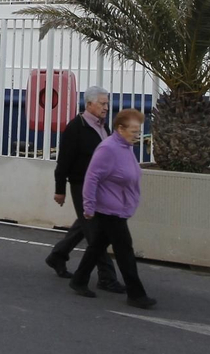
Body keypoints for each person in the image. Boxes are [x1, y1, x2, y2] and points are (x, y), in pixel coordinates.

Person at [69, 108, 157, 309]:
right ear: (120, 128)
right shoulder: (108, 148)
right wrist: (88, 206)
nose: (138, 135)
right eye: (134, 131)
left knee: (98, 245)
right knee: (124, 249)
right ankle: (136, 294)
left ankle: (79, 279)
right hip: (110, 208)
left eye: (138, 131)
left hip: (120, 206)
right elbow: (92, 177)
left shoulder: (125, 147)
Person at [44, 87, 120, 291]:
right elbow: (63, 162)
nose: (106, 107)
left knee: (84, 226)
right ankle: (107, 277)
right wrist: (59, 190)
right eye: (102, 104)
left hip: (101, 186)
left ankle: (57, 256)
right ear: (89, 105)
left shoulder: (104, 128)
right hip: (81, 185)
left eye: (107, 103)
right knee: (95, 232)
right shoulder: (75, 128)